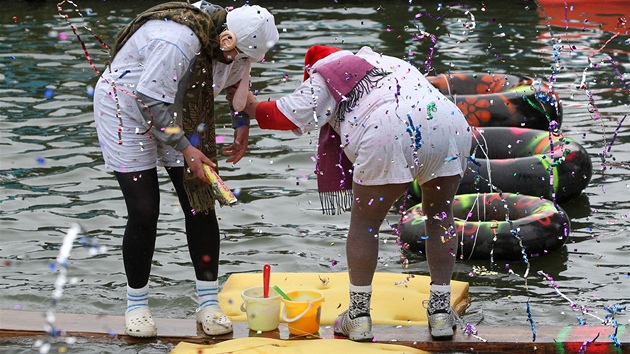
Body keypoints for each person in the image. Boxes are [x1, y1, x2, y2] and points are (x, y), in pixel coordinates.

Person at [236, 45, 471, 341]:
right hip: (448, 121)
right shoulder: (387, 60)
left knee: (365, 225)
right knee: (439, 215)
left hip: (388, 127)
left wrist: (247, 104)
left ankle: (358, 317)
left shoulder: (326, 74)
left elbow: (281, 116)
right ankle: (439, 312)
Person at [92, 1, 279, 337]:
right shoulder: (177, 41)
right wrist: (187, 149)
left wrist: (241, 124)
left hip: (180, 110)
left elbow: (236, 83)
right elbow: (152, 98)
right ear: (227, 40)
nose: (239, 64)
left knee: (200, 200)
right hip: (127, 106)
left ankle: (208, 303)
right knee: (145, 210)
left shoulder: (233, 46)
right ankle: (137, 306)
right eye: (238, 56)